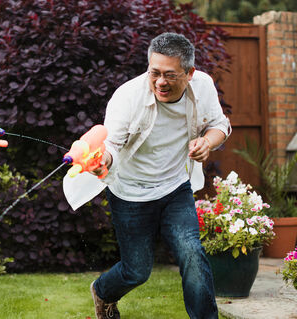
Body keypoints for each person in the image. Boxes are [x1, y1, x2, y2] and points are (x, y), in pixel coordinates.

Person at [89, 32, 231, 319]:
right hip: (130, 191)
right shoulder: (128, 96)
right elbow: (111, 146)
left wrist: (207, 142)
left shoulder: (203, 86)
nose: (160, 82)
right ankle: (103, 291)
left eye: (170, 75)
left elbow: (219, 125)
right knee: (137, 271)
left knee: (192, 253)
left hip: (175, 187)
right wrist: (101, 160)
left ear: (189, 73)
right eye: (154, 73)